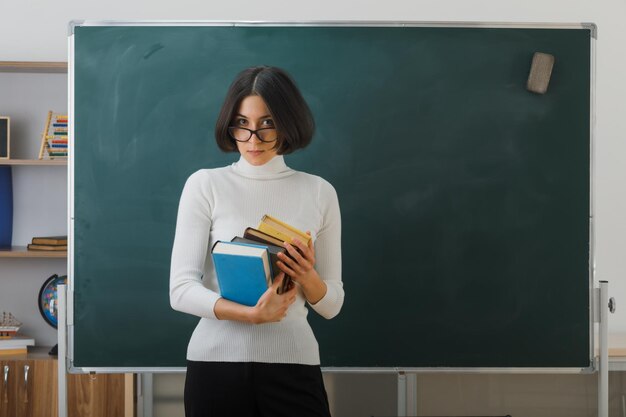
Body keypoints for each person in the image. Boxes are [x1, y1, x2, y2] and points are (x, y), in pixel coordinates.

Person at [169, 65, 344, 417]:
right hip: (215, 365)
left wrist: (308, 276)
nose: (252, 139)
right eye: (242, 124)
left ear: (288, 122)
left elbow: (332, 304)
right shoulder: (205, 185)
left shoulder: (319, 192)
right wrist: (251, 315)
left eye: (267, 124)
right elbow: (181, 290)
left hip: (293, 365)